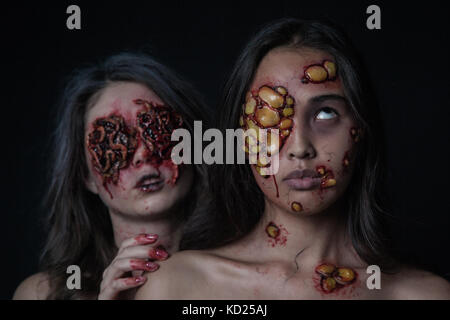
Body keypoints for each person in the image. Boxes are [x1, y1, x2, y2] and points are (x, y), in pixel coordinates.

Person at [135, 18, 450, 299]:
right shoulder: (180, 286)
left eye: (326, 113)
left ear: (361, 128)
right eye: (269, 118)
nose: (299, 146)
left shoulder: (425, 294)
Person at [13, 52, 209, 299]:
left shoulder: (241, 279)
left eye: (158, 130)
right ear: (86, 176)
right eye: (115, 141)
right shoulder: (40, 295)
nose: (142, 154)